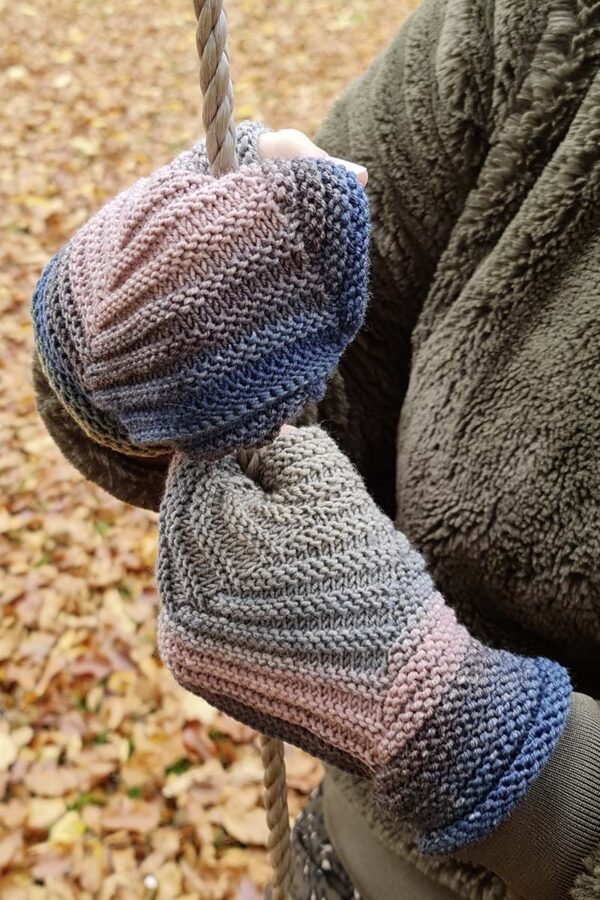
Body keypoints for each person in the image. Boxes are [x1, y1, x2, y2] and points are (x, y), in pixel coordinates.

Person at [32, 0, 600, 897]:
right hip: (336, 858)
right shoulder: (548, 26)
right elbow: (334, 364)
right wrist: (122, 357)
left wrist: (492, 753)